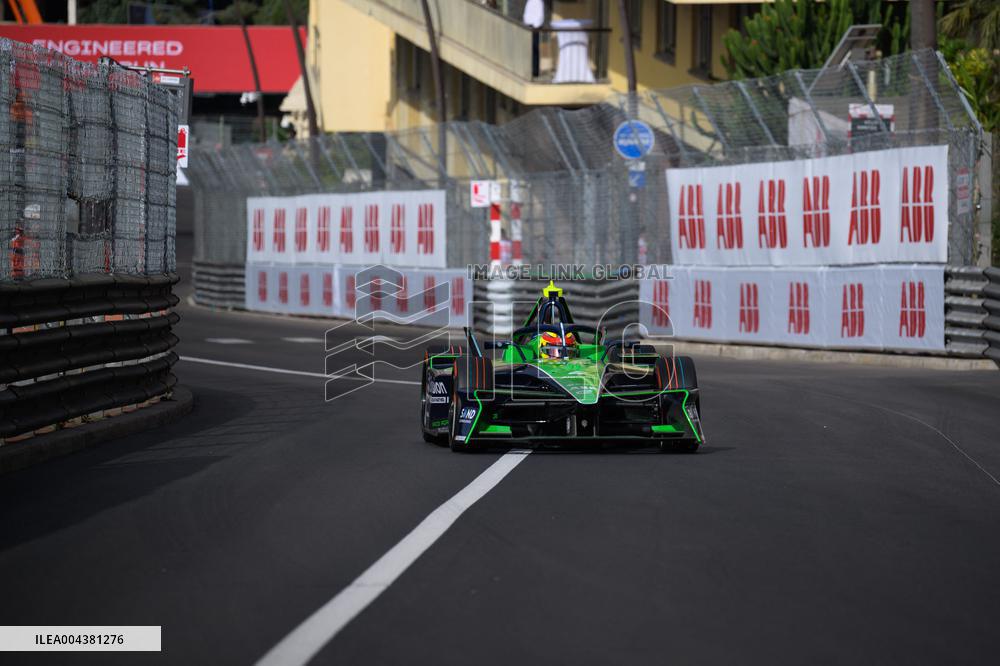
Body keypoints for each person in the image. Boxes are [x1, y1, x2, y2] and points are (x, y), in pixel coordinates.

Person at [523, 0, 545, 78]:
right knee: (528, 49)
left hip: (535, 28)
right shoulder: (529, 1)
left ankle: (535, 71)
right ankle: (529, 69)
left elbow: (540, 16)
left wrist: (535, 26)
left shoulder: (539, 2)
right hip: (529, 27)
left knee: (535, 49)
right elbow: (526, 14)